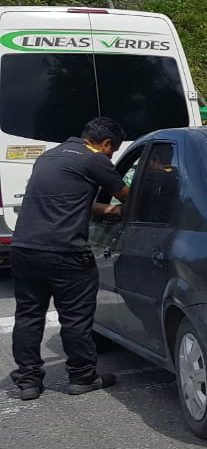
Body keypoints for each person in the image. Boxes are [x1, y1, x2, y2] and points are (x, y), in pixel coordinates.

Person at [9, 117, 129, 401]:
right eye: (112, 152)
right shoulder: (95, 159)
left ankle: (28, 381)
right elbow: (129, 195)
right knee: (75, 318)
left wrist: (108, 212)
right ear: (106, 144)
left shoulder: (48, 157)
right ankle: (82, 377)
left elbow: (69, 199)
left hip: (24, 248)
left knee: (28, 316)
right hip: (65, 252)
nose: (110, 158)